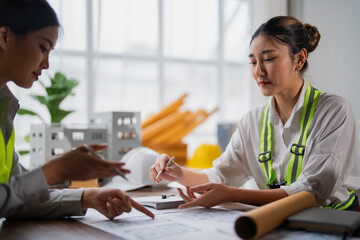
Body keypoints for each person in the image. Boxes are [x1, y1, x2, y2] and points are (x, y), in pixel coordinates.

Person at [149, 16, 360, 211]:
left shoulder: (333, 110)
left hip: (336, 221)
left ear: (299, 59)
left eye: (268, 59)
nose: (258, 71)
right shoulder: (252, 120)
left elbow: (313, 191)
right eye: (252, 62)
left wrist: (232, 194)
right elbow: (221, 175)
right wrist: (178, 173)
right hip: (277, 219)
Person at [0, 0, 153, 219]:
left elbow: (13, 198)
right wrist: (55, 171)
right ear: (4, 36)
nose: (46, 64)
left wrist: (87, 197)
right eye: (43, 48)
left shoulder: (4, 107)